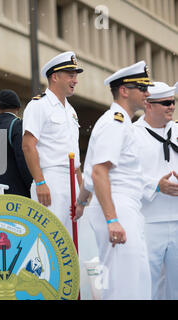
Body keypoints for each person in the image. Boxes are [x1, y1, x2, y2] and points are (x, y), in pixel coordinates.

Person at [75, 61, 153, 300]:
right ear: (124, 91)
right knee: (124, 284)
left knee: (134, 280)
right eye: (142, 88)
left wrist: (81, 203)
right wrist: (112, 219)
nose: (147, 93)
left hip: (121, 205)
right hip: (117, 204)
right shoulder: (115, 122)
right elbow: (99, 172)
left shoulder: (119, 122)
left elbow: (90, 175)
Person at [22, 51, 83, 236]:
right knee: (49, 240)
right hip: (51, 179)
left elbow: (75, 155)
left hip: (71, 180)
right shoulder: (38, 105)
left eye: (75, 76)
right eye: (70, 76)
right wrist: (40, 182)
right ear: (55, 77)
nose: (75, 80)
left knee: (71, 242)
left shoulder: (71, 111)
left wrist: (81, 191)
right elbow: (28, 145)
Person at [133, 81, 178, 299]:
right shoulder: (132, 134)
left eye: (173, 102)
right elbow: (126, 176)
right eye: (166, 103)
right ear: (149, 105)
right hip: (148, 221)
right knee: (147, 285)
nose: (172, 106)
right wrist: (156, 186)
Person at [0, 89, 32, 196]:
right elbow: (23, 161)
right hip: (16, 193)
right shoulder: (18, 125)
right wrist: (31, 186)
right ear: (18, 108)